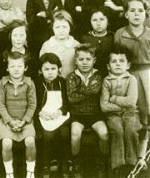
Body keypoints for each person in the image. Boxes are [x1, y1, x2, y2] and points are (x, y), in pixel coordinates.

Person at [114, 0, 150, 167]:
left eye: (140, 11)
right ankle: (129, 157)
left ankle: (143, 154)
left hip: (147, 73)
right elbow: (116, 57)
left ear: (146, 14)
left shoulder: (149, 32)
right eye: (132, 10)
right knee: (131, 111)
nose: (137, 14)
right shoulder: (120, 33)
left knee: (146, 111)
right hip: (127, 75)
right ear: (126, 14)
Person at [66, 44, 108, 177]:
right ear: (75, 61)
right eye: (81, 59)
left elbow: (96, 91)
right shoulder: (71, 76)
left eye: (88, 59)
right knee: (75, 135)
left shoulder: (98, 75)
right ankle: (76, 162)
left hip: (95, 114)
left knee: (104, 133)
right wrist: (89, 91)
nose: (84, 63)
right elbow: (72, 98)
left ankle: (103, 161)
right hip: (77, 114)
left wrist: (80, 91)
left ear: (94, 60)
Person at [100, 46, 141, 176]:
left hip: (132, 113)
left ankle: (132, 163)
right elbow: (104, 106)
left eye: (121, 61)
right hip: (113, 115)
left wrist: (114, 98)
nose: (118, 64)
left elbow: (131, 101)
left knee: (131, 130)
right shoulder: (106, 81)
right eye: (114, 61)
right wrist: (122, 106)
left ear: (128, 65)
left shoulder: (131, 79)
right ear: (108, 66)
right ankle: (117, 164)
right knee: (117, 131)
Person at [0, 52, 37, 178]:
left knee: (30, 141)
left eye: (19, 66)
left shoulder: (30, 83)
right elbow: (0, 104)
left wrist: (25, 120)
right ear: (7, 68)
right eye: (12, 66)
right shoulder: (2, 83)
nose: (16, 69)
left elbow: (32, 104)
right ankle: (9, 173)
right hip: (7, 121)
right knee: (6, 143)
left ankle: (30, 171)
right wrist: (9, 121)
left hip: (25, 120)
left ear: (25, 68)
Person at [35, 53, 70, 178]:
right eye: (46, 69)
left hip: (59, 115)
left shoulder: (63, 82)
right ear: (40, 71)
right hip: (43, 115)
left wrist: (60, 112)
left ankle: (64, 162)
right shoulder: (37, 83)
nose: (50, 72)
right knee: (47, 135)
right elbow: (33, 102)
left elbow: (67, 102)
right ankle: (46, 163)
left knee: (65, 133)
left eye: (53, 69)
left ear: (59, 69)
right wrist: (40, 112)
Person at [26, 0, 63, 80]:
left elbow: (61, 16)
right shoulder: (31, 0)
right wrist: (51, 15)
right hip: (36, 40)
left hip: (53, 38)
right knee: (37, 67)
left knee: (52, 65)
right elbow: (31, 21)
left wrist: (44, 14)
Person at [40, 10, 80, 78]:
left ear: (70, 28)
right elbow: (42, 67)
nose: (61, 30)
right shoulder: (46, 46)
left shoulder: (76, 45)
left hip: (72, 84)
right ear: (52, 28)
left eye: (64, 27)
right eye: (57, 27)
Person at [81, 7, 114, 77]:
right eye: (94, 20)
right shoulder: (85, 38)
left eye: (102, 19)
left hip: (111, 74)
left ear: (108, 21)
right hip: (91, 75)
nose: (98, 23)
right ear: (90, 22)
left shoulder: (113, 37)